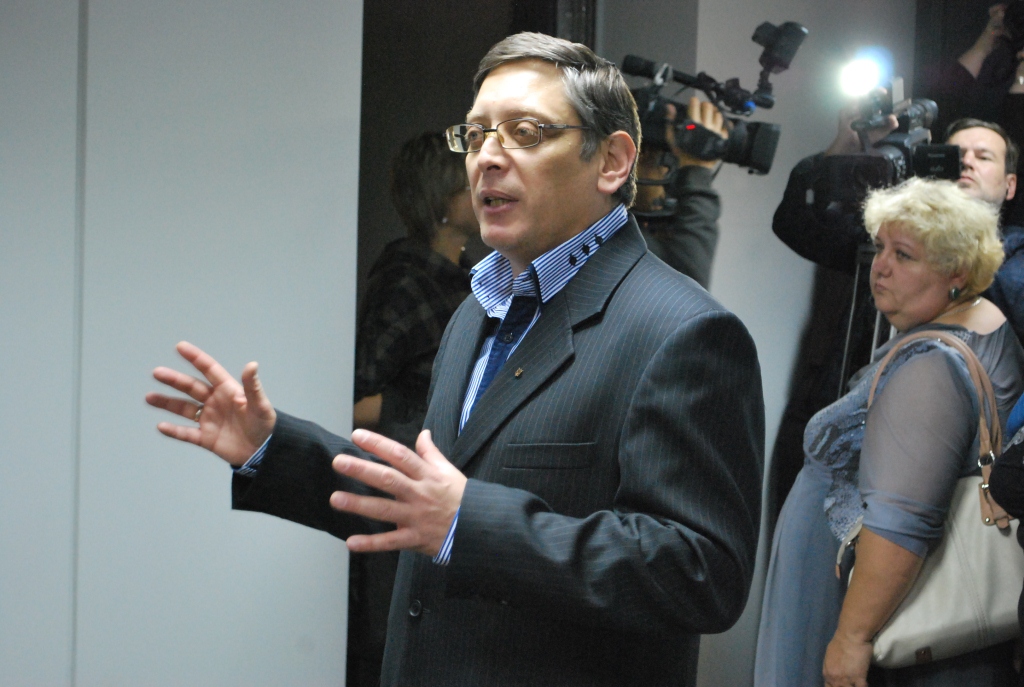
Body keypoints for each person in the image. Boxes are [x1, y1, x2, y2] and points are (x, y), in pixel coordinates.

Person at [146, 32, 765, 687]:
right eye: (474, 136)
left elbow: (701, 573)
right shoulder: (476, 311)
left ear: (611, 161)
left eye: (525, 132)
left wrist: (469, 523)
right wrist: (273, 448)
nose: (487, 158)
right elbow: (422, 498)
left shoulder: (684, 332)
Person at [754, 177, 1024, 686]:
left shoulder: (930, 367)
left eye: (904, 255)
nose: (880, 267)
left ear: (957, 271)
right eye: (880, 248)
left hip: (882, 622)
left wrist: (851, 637)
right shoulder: (984, 322)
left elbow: (902, 522)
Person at [769, 115, 1023, 521]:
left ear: (1009, 185)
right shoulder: (890, 238)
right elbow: (796, 222)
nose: (966, 162)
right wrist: (840, 152)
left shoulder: (1016, 264)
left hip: (940, 472)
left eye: (983, 156)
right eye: (955, 153)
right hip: (837, 419)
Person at [348, 132, 475, 687]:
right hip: (400, 491)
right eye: (468, 183)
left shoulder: (473, 280)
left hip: (450, 492)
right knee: (395, 641)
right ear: (442, 201)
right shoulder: (406, 282)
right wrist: (422, 407)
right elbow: (355, 400)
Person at [633, 96, 726, 289]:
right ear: (638, 157)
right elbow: (691, 293)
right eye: (664, 164)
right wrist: (697, 171)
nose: (666, 177)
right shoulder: (610, 233)